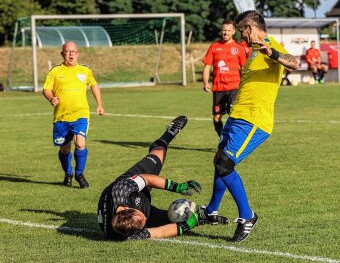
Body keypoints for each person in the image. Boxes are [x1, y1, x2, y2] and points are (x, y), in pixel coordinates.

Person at [201, 10, 299, 242]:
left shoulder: (270, 45)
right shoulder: (253, 51)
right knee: (219, 160)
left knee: (226, 164)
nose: (241, 35)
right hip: (238, 116)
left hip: (254, 121)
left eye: (242, 29)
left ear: (251, 27)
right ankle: (212, 211)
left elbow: (295, 63)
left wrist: (273, 53)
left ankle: (247, 216)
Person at [97, 116, 228, 240]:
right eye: (143, 224)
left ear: (126, 209)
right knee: (178, 218)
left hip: (130, 181)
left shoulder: (120, 190)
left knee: (157, 155)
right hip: (136, 208)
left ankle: (170, 132)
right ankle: (204, 216)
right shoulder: (127, 233)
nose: (145, 221)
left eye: (141, 217)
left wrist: (178, 187)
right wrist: (189, 225)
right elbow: (159, 232)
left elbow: (147, 179)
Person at [42, 41, 104, 188]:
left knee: (80, 143)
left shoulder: (85, 70)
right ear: (62, 53)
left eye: (73, 51)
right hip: (61, 117)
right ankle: (68, 173)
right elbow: (46, 89)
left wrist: (99, 104)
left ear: (78, 53)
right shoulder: (55, 71)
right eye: (67, 51)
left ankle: (79, 174)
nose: (70, 54)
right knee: (64, 149)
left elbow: (94, 85)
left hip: (80, 114)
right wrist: (51, 98)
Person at [203, 20, 247, 137]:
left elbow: (243, 69)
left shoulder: (239, 48)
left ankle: (234, 140)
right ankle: (222, 138)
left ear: (233, 32)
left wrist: (245, 84)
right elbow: (207, 66)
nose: (225, 33)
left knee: (234, 113)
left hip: (234, 87)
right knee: (217, 118)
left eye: (228, 30)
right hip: (218, 87)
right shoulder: (214, 47)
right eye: (224, 30)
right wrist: (206, 82)